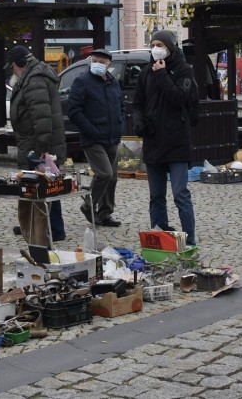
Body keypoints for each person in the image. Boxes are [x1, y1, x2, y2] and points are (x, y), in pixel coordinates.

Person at [132, 30, 199, 245]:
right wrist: (138, 121)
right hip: (154, 140)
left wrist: (162, 75)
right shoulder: (145, 73)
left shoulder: (184, 70)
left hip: (177, 140)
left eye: (160, 44)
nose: (155, 48)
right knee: (156, 196)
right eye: (153, 44)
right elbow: (138, 103)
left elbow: (178, 98)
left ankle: (190, 240)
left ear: (170, 47)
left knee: (180, 194)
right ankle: (159, 237)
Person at [7, 45, 67, 245]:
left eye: (12, 67)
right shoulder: (35, 74)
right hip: (35, 140)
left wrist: (42, 147)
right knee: (49, 183)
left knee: (41, 184)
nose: (12, 71)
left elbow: (41, 116)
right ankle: (51, 226)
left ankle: (48, 227)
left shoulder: (33, 79)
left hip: (36, 142)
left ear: (18, 65)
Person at [67, 48, 125, 227]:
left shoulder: (113, 82)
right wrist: (90, 130)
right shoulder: (82, 81)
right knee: (104, 173)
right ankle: (88, 205)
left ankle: (105, 214)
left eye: (102, 62)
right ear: (90, 61)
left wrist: (120, 123)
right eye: (95, 61)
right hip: (92, 138)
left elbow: (121, 105)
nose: (98, 64)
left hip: (112, 136)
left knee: (112, 177)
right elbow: (74, 110)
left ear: (109, 65)